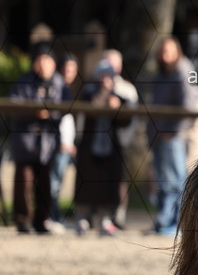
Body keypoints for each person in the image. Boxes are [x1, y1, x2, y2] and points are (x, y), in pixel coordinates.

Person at [7, 43, 66, 234]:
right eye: (40, 60)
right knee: (23, 182)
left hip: (48, 142)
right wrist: (34, 112)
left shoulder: (59, 84)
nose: (43, 64)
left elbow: (67, 107)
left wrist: (50, 113)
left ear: (53, 63)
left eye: (47, 60)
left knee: (45, 184)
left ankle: (42, 220)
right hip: (26, 140)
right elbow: (13, 106)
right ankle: (22, 220)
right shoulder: (24, 82)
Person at [73, 60, 130, 236]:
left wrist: (117, 109)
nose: (106, 79)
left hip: (110, 150)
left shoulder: (118, 98)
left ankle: (105, 220)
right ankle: (83, 219)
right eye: (103, 75)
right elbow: (85, 111)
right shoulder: (88, 94)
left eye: (109, 76)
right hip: (89, 149)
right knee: (86, 185)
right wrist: (99, 101)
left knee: (108, 186)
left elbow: (127, 120)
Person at [148, 37, 195, 236]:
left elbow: (188, 106)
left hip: (172, 135)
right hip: (158, 135)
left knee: (174, 180)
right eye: (162, 51)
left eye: (168, 50)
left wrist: (173, 131)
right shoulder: (162, 72)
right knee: (163, 179)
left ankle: (174, 221)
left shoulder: (183, 70)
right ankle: (164, 219)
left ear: (177, 51)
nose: (164, 54)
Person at [101, 49, 139, 229]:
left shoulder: (127, 89)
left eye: (113, 63)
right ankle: (100, 216)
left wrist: (125, 139)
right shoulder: (96, 87)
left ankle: (118, 216)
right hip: (100, 143)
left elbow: (134, 118)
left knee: (120, 180)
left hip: (121, 141)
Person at [49, 53, 80, 224]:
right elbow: (58, 117)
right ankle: (52, 216)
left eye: (73, 70)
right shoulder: (57, 87)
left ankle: (54, 216)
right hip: (58, 144)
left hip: (66, 144)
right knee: (53, 182)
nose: (69, 73)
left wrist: (70, 142)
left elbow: (67, 119)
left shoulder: (66, 88)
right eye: (67, 69)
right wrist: (63, 142)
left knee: (57, 181)